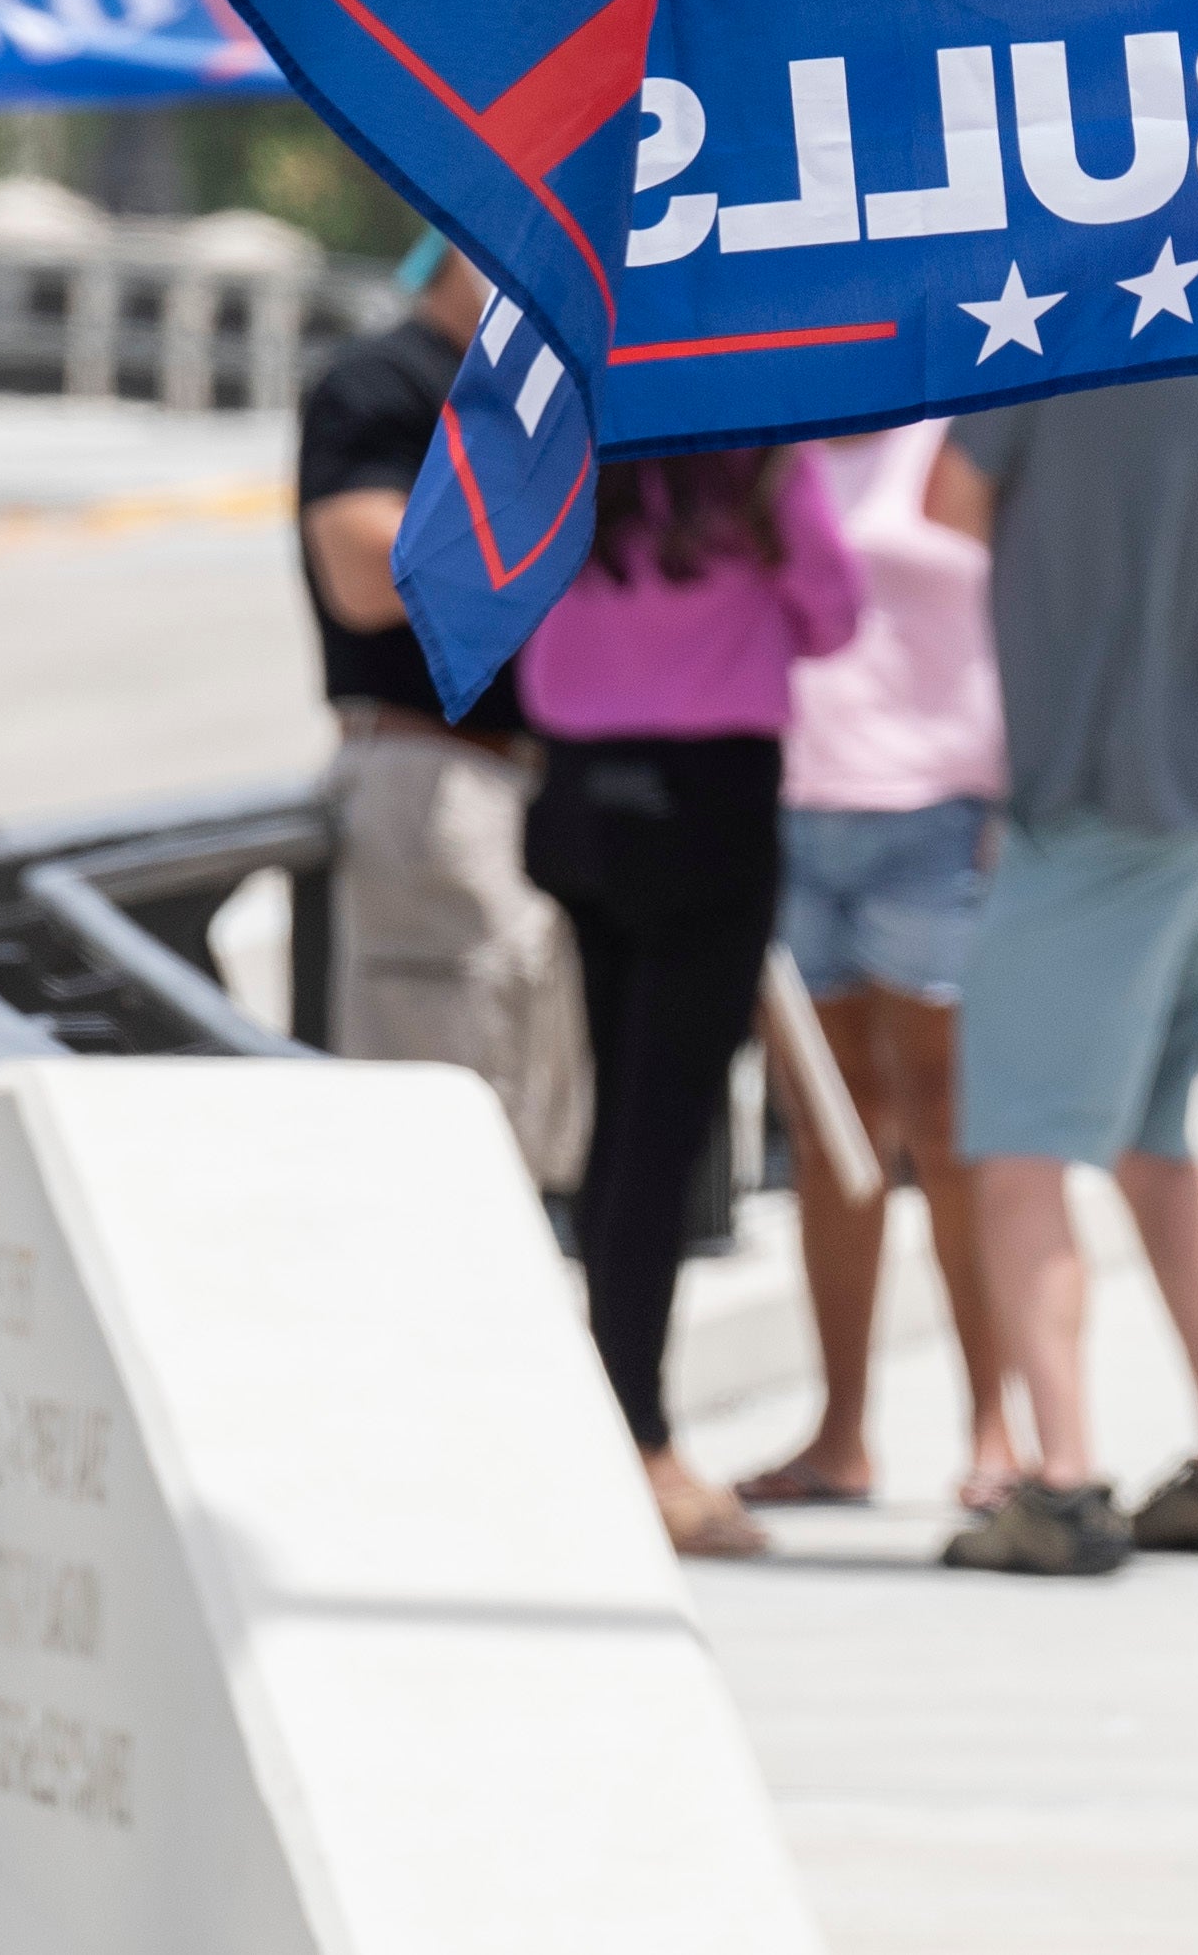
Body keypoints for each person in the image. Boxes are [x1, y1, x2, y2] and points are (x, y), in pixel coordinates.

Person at [929, 359, 1198, 1578]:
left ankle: (1058, 1480)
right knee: (1155, 1137)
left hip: (1095, 792)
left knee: (1016, 1148)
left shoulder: (1054, 326)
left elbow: (948, 501)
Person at [511, 446, 867, 1558]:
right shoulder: (760, 463)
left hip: (577, 793)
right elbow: (834, 616)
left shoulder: (567, 447)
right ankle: (638, 1430)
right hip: (711, 800)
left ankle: (613, 1401)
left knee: (618, 1117)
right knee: (666, 1131)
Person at [739, 418, 1031, 1513]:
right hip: (791, 812)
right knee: (829, 1139)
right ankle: (839, 1435)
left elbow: (1032, 605)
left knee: (953, 1135)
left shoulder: (961, 431)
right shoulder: (777, 436)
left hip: (938, 816)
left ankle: (995, 1427)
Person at [296, 233, 586, 1187]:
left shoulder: (538, 397)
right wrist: (562, 524)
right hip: (432, 768)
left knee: (531, 1107)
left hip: (538, 773)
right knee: (435, 1117)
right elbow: (366, 568)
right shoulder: (382, 381)